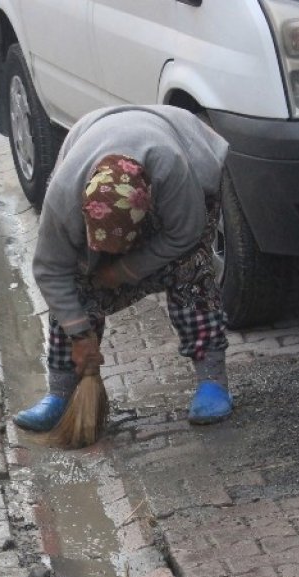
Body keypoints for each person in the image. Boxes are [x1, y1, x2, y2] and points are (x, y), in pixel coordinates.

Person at [15, 105, 232, 432]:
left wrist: (124, 271)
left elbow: (186, 232)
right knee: (73, 289)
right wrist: (79, 334)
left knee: (191, 270)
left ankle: (212, 380)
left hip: (182, 152)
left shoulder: (172, 171)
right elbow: (50, 270)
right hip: (96, 132)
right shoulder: (63, 198)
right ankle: (61, 393)